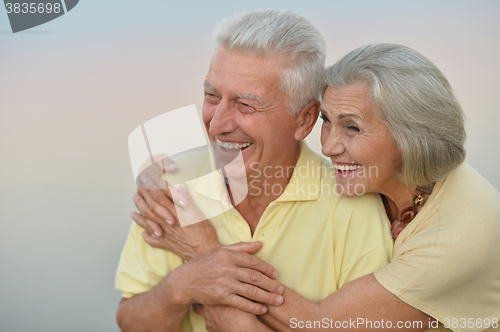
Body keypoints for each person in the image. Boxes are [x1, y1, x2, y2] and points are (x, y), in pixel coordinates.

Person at [137, 43, 500, 332]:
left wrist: (207, 253)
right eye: (327, 120)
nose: (327, 147)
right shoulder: (382, 178)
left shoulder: (453, 240)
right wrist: (166, 177)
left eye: (352, 127)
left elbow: (323, 324)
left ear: (412, 139)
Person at [115, 10, 393, 332]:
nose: (217, 124)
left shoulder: (354, 206)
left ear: (303, 120)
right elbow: (130, 321)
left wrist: (228, 305)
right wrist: (178, 287)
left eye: (246, 105)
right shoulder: (173, 185)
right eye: (211, 96)